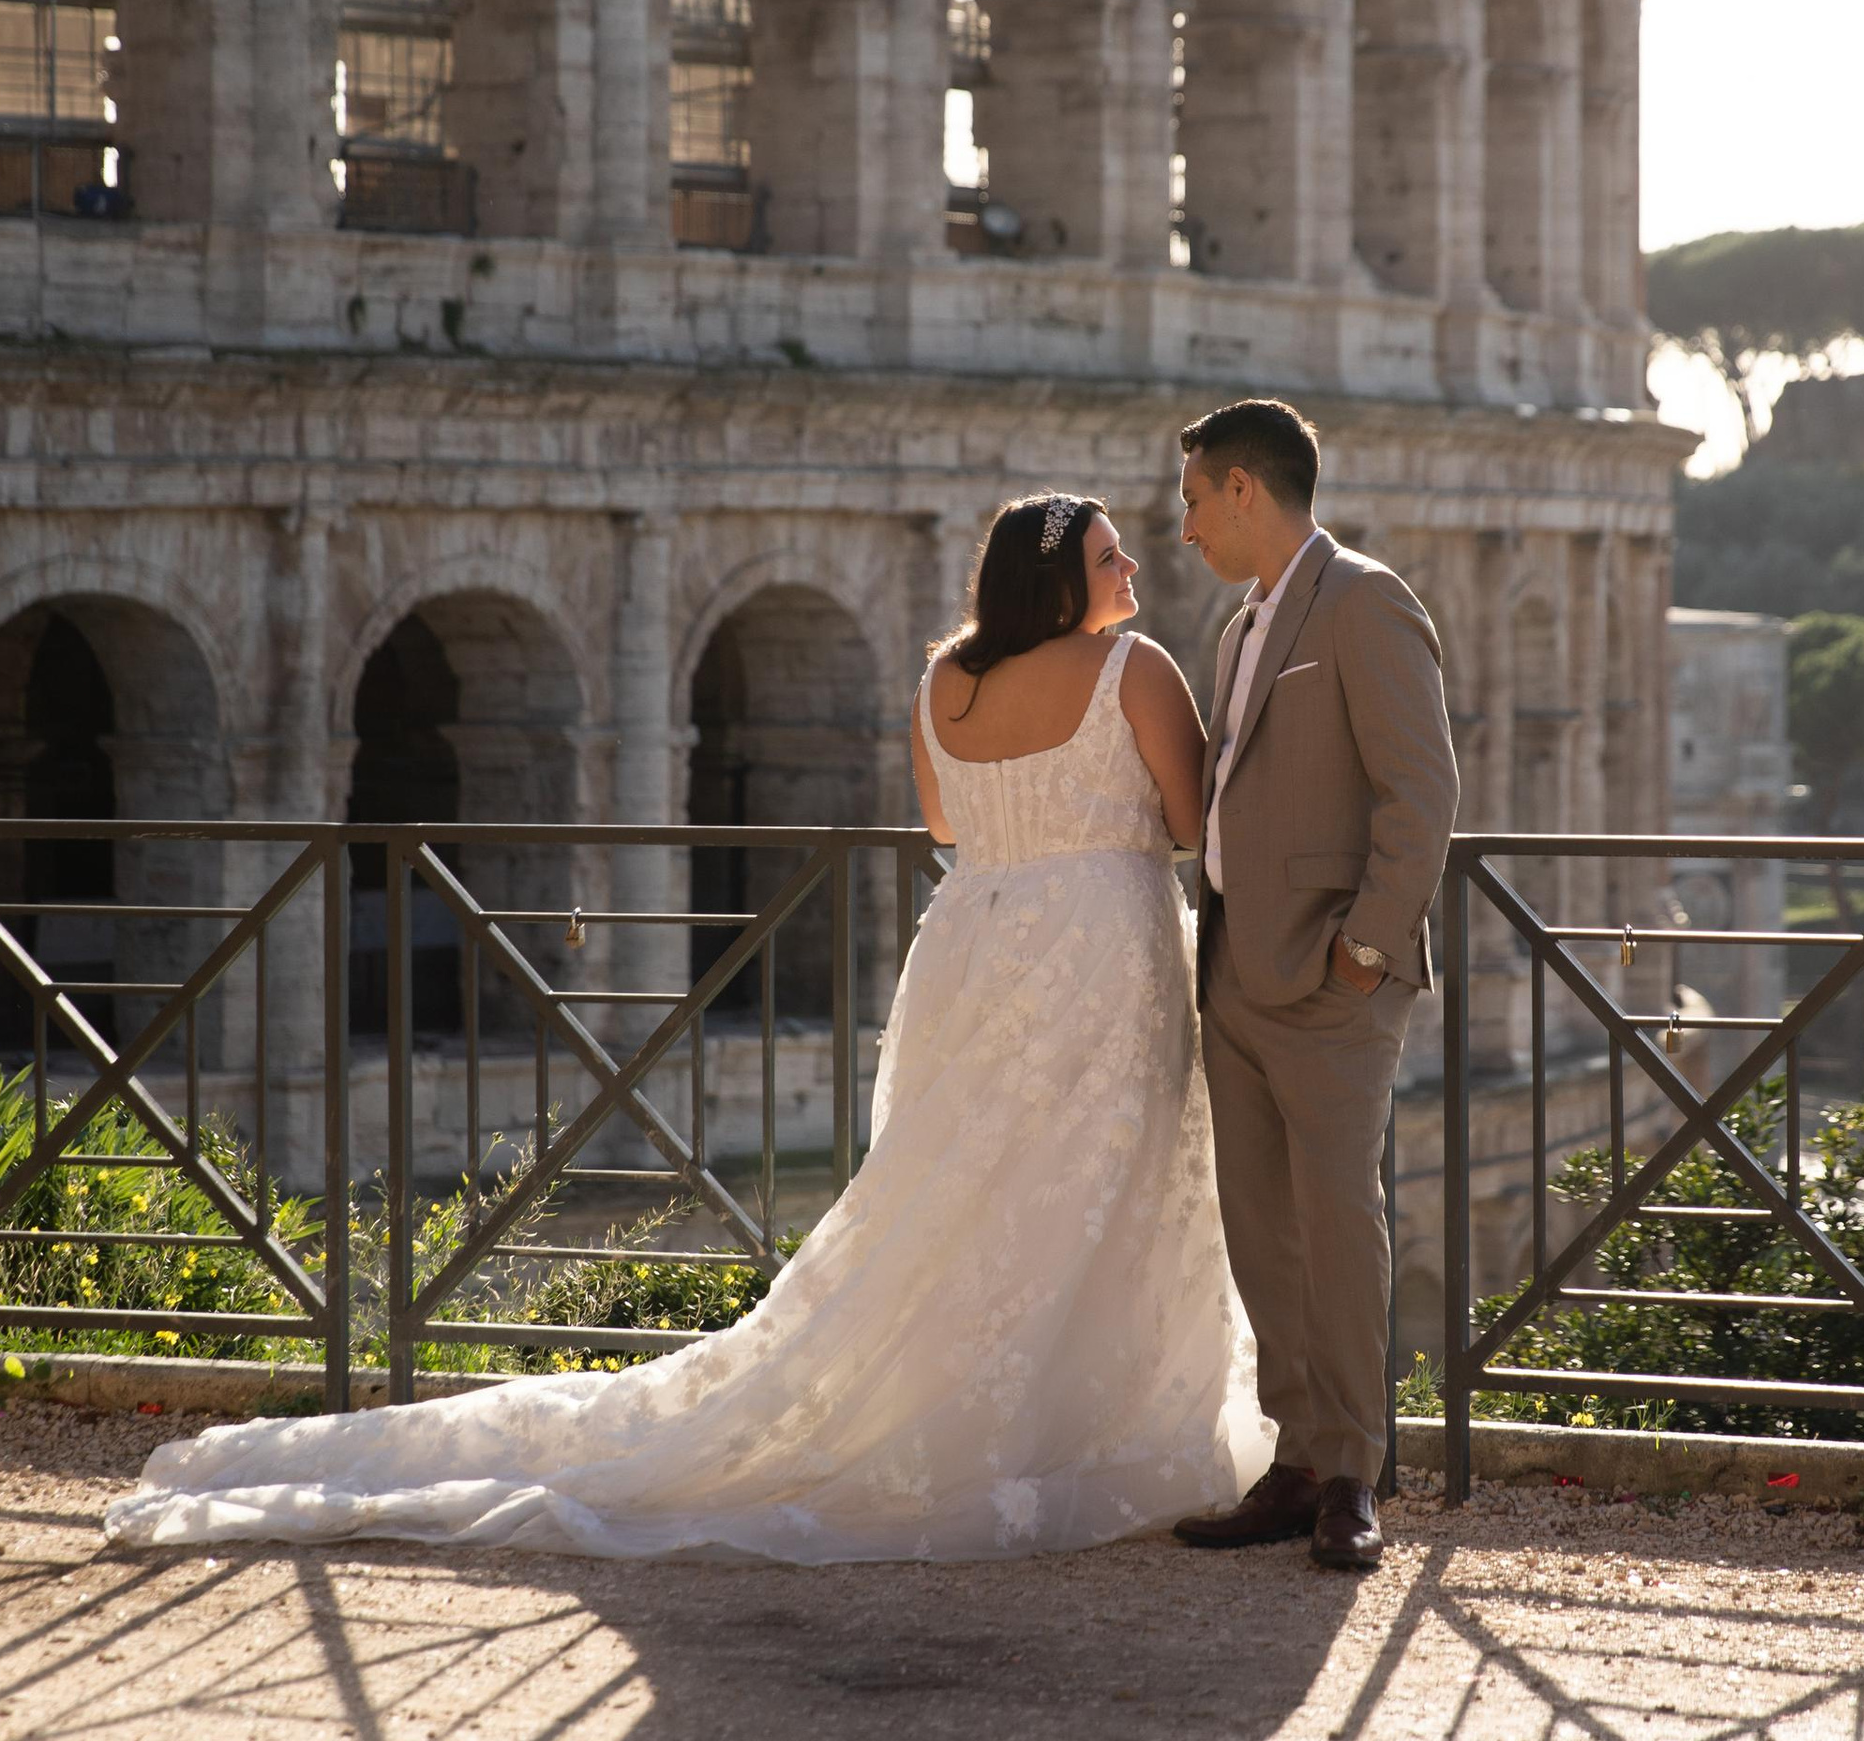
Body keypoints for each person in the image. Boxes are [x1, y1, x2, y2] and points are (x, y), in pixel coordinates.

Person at [104, 494, 1268, 1562]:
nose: (1132, 573)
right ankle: (1069, 1427)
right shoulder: (1134, 668)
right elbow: (1183, 817)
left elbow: (941, 821)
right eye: (1113, 558)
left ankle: (983, 1418)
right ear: (1059, 584)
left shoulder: (938, 686)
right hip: (1102, 950)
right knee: (1098, 1188)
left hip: (980, 947)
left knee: (954, 1198)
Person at [1169, 398, 1460, 1577]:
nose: (1183, 528)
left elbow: (1421, 791)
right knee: (1260, 1224)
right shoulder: (1238, 627)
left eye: (1193, 501)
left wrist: (1368, 949)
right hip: (1237, 966)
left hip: (1333, 978)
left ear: (1245, 489)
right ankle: (1294, 1460)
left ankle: (1351, 1473)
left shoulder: (1367, 601)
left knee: (1338, 1224)